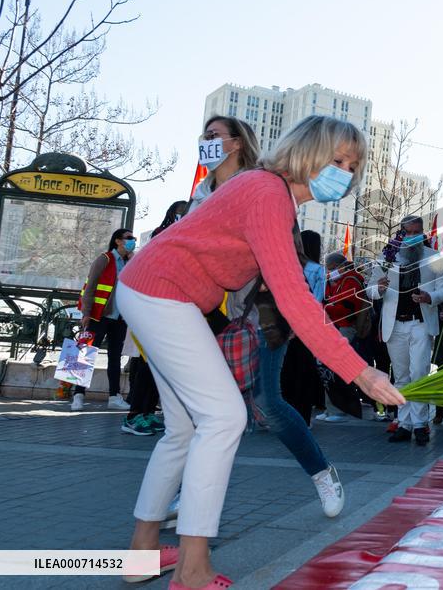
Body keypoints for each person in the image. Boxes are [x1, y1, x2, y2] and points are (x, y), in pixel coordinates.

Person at [117, 115, 404, 589]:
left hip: (155, 291)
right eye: (336, 160)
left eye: (353, 165)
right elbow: (295, 301)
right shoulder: (269, 193)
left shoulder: (271, 196)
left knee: (185, 428)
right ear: (307, 152)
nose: (345, 173)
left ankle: (141, 552)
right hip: (162, 293)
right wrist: (362, 374)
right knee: (225, 418)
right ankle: (192, 571)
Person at [367, 215, 443, 446]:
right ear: (401, 233)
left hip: (420, 323)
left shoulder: (434, 257)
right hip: (395, 324)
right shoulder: (386, 257)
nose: (413, 237)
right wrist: (379, 289)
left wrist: (429, 297)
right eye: (409, 233)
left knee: (419, 373)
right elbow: (370, 290)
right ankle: (404, 424)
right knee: (401, 376)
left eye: (417, 233)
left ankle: (421, 425)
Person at [122, 201, 190, 435]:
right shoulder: (163, 236)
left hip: (166, 310)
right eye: (183, 214)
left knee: (157, 369)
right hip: (153, 309)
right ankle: (134, 416)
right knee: (147, 367)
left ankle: (148, 412)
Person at [72, 228, 136, 412]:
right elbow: (90, 286)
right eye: (129, 238)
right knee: (85, 355)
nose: (132, 241)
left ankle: (114, 396)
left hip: (119, 318)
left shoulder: (128, 261)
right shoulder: (105, 259)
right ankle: (78, 395)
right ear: (117, 241)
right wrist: (86, 314)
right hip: (98, 316)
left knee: (115, 358)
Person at [279, 230, 328, 427]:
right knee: (304, 373)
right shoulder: (318, 270)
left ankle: (287, 416)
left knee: (287, 372)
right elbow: (317, 299)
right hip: (307, 328)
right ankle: (303, 418)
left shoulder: (291, 266)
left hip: (286, 324)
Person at [317, 251, 369, 423]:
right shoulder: (336, 281)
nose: (329, 271)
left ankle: (340, 410)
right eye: (328, 268)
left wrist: (325, 306)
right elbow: (331, 302)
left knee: (336, 370)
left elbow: (345, 307)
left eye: (331, 268)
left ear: (342, 266)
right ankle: (330, 407)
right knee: (327, 370)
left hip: (346, 328)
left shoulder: (352, 280)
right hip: (335, 327)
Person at [188, 115, 260, 213]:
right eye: (205, 138)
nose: (206, 143)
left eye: (213, 135)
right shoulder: (197, 197)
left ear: (237, 143)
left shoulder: (256, 190)